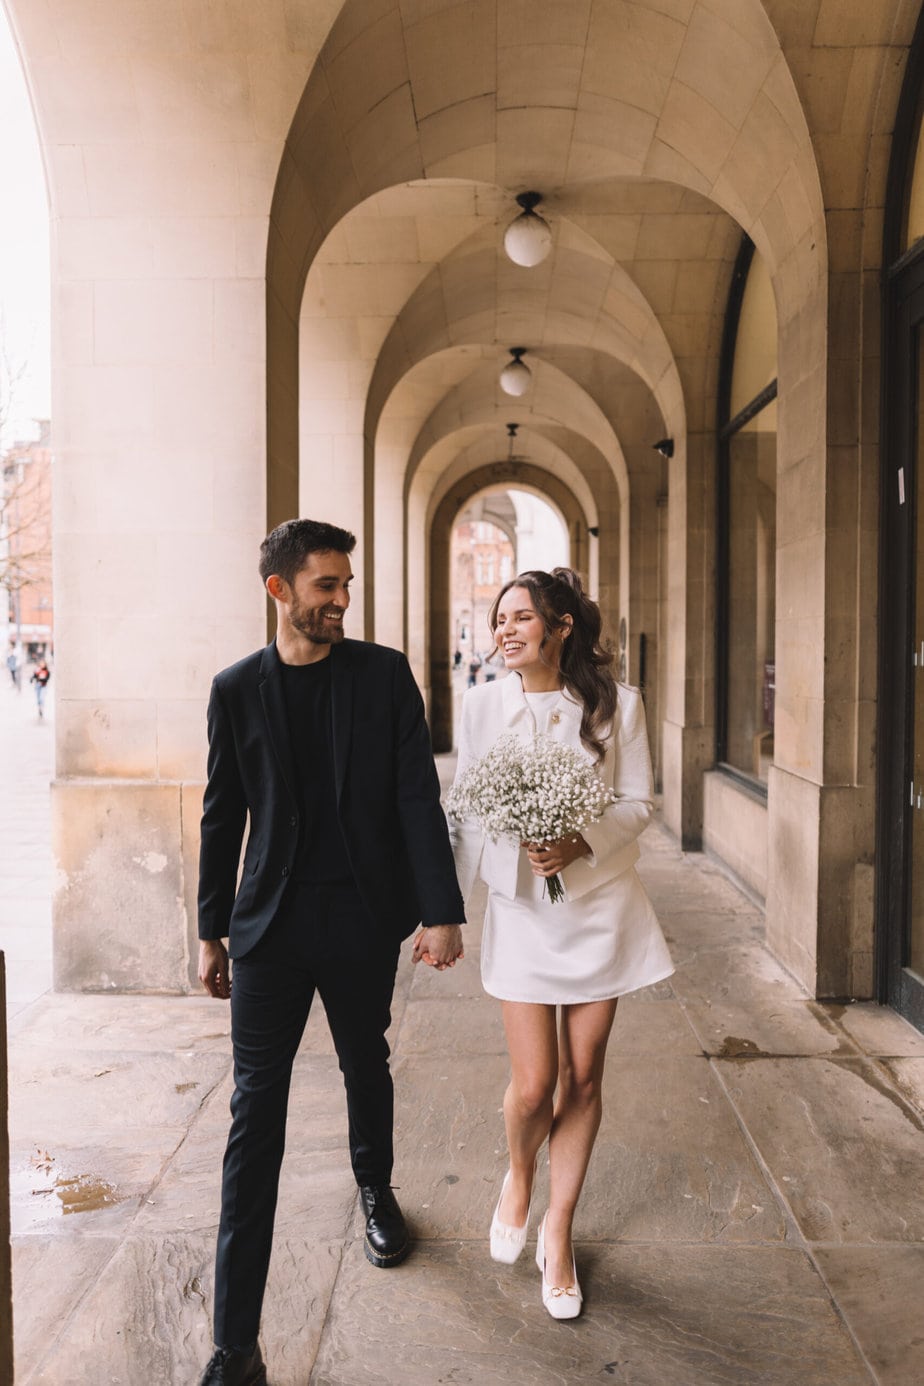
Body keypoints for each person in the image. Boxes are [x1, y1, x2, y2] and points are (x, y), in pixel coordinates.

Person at [196, 518, 465, 1386]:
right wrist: (209, 929)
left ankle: (376, 1190)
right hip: (267, 930)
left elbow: (417, 796)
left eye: (347, 586)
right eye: (326, 587)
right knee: (253, 1119)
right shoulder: (236, 687)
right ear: (279, 590)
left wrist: (440, 909)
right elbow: (221, 813)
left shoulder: (383, 677)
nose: (342, 600)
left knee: (365, 1064)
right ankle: (235, 1346)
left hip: (359, 918)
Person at [446, 568, 673, 1320]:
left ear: (563, 626)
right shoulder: (479, 705)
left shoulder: (617, 706)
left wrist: (582, 840)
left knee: (582, 1077)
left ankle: (560, 1226)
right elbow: (468, 808)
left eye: (519, 618)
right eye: (497, 618)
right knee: (535, 1084)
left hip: (599, 907)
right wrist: (444, 909)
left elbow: (641, 802)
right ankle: (518, 1173)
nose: (503, 631)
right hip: (521, 913)